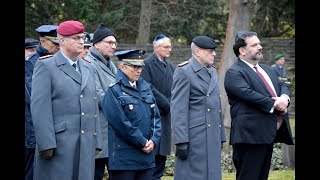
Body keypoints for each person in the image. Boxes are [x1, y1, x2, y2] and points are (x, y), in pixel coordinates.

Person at [31, 20, 102, 180]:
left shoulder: (89, 67)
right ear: (62, 40)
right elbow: (40, 109)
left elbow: (93, 104)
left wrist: (96, 140)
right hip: (59, 145)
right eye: (76, 38)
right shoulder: (47, 66)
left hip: (85, 144)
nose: (81, 42)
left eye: (82, 37)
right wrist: (46, 144)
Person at [224, 30, 294, 180]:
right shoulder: (234, 72)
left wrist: (284, 98)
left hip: (267, 136)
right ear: (242, 51)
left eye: (259, 43)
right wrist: (276, 103)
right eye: (254, 45)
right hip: (249, 138)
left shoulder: (267, 69)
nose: (260, 47)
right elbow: (248, 94)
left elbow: (284, 84)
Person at [170, 36, 226, 180]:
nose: (214, 54)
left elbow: (216, 104)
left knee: (212, 175)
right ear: (197, 52)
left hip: (212, 133)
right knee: (192, 175)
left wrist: (221, 136)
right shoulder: (184, 72)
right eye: (210, 51)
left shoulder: (212, 71)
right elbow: (178, 109)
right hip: (194, 137)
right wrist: (181, 140)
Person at [101, 49, 161, 180]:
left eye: (140, 67)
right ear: (122, 66)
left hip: (146, 159)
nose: (139, 70)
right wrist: (142, 142)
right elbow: (121, 124)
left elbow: (156, 117)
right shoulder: (114, 91)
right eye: (135, 67)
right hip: (125, 161)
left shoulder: (145, 87)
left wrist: (154, 140)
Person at [24, 24, 59, 180]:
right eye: (55, 43)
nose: (59, 47)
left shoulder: (56, 60)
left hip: (53, 128)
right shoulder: (30, 64)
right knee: (32, 171)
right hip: (33, 128)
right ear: (43, 42)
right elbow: (34, 98)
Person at [84, 23, 118, 180]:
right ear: (96, 44)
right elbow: (97, 95)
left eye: (114, 43)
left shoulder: (110, 63)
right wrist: (121, 103)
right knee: (95, 175)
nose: (114, 46)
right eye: (109, 42)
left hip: (113, 132)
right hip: (98, 131)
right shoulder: (88, 63)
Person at [140, 34, 175, 180]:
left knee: (161, 159)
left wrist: (172, 102)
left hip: (166, 119)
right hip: (153, 115)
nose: (170, 50)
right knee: (151, 162)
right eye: (166, 47)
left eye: (170, 46)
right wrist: (167, 103)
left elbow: (176, 88)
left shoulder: (171, 66)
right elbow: (148, 87)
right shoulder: (146, 64)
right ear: (157, 48)